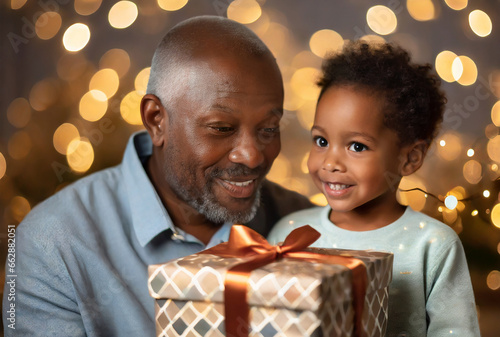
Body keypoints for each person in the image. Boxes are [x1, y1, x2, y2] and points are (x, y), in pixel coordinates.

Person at [2, 16, 313, 336]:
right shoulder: (54, 244)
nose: (252, 155)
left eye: (268, 129)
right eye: (221, 128)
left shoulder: (303, 223)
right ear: (156, 120)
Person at [268, 41, 480, 336]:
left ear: (410, 158)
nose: (330, 162)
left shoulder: (432, 246)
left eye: (357, 146)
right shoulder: (289, 234)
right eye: (321, 141)